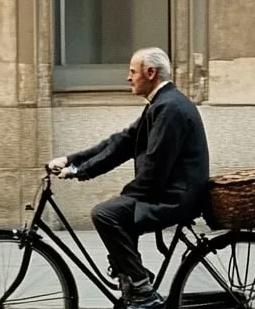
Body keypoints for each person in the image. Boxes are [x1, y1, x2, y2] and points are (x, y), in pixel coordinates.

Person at [47, 47, 210, 309]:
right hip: (169, 192)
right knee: (117, 211)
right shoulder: (161, 104)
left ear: (150, 72)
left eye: (132, 71)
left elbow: (155, 168)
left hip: (177, 197)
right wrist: (73, 162)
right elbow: (121, 143)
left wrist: (126, 195)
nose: (128, 77)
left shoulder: (169, 108)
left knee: (107, 214)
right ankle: (133, 283)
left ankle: (143, 293)